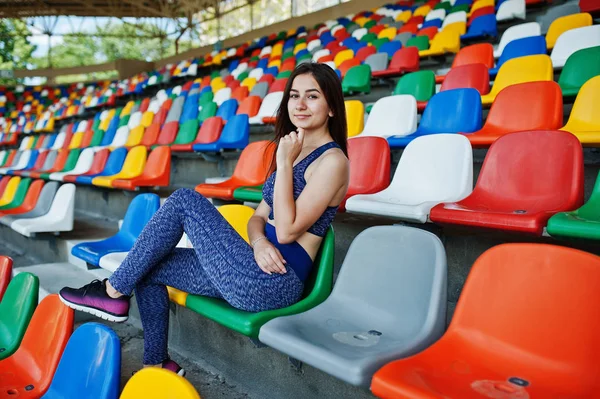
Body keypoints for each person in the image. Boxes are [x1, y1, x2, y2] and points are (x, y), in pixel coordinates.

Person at [59, 62, 350, 377]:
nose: (300, 105)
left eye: (312, 97)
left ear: (332, 107)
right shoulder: (295, 150)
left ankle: (113, 292)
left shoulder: (332, 162)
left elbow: (290, 229)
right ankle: (157, 365)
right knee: (149, 265)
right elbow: (258, 219)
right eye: (294, 96)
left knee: (184, 200)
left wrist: (282, 161)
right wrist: (260, 241)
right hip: (251, 264)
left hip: (273, 283)